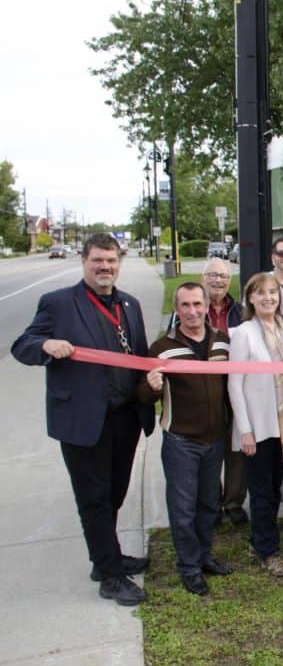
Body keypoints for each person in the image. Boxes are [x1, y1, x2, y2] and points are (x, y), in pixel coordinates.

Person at [12, 233, 156, 606]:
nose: (105, 267)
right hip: (83, 420)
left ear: (119, 263)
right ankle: (110, 576)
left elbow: (138, 354)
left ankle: (105, 555)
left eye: (111, 261)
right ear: (84, 261)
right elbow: (22, 345)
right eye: (98, 261)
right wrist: (45, 345)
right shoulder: (59, 304)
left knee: (114, 493)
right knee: (93, 498)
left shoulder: (130, 304)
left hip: (124, 418)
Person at [138, 282, 233, 595]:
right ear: (176, 310)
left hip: (215, 438)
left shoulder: (222, 341)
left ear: (207, 306)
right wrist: (151, 385)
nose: (192, 312)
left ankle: (205, 556)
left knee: (208, 504)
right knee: (183, 508)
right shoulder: (162, 347)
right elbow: (141, 394)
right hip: (181, 441)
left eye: (197, 304)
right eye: (185, 306)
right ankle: (189, 567)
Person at [228, 273, 283, 577]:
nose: (268, 298)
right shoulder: (244, 333)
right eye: (260, 293)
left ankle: (258, 540)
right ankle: (268, 551)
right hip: (258, 428)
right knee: (261, 492)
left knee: (273, 490)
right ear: (250, 298)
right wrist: (245, 430)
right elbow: (235, 384)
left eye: (273, 292)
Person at [168, 258, 247, 524]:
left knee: (235, 451)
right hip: (200, 393)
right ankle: (211, 503)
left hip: (235, 388)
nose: (218, 280)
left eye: (224, 276)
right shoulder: (188, 310)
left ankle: (234, 502)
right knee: (209, 452)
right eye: (213, 275)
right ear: (203, 277)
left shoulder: (240, 310)